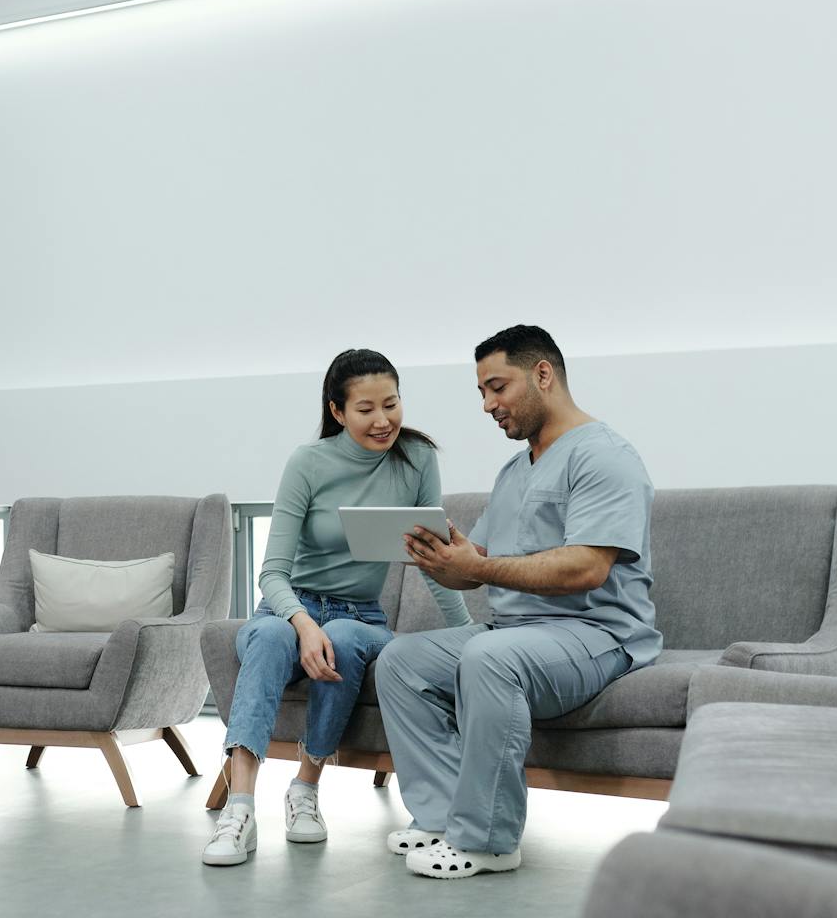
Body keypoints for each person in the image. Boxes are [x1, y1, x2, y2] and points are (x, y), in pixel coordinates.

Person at [378, 325, 661, 879]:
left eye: (497, 387)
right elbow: (478, 565)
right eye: (482, 392)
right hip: (514, 631)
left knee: (490, 659)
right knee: (400, 661)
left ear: (543, 374)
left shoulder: (605, 457)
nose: (488, 405)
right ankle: (440, 817)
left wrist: (476, 566)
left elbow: (587, 567)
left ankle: (488, 840)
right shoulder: (515, 470)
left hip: (598, 636)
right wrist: (443, 558)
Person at [204, 349, 472, 867]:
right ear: (337, 412)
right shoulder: (308, 464)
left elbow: (432, 560)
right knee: (269, 639)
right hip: (291, 608)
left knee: (347, 638)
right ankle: (238, 811)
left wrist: (467, 634)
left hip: (362, 617)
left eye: (391, 404)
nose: (383, 420)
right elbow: (272, 574)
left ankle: (305, 791)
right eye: (366, 409)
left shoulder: (417, 461)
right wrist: (302, 623)